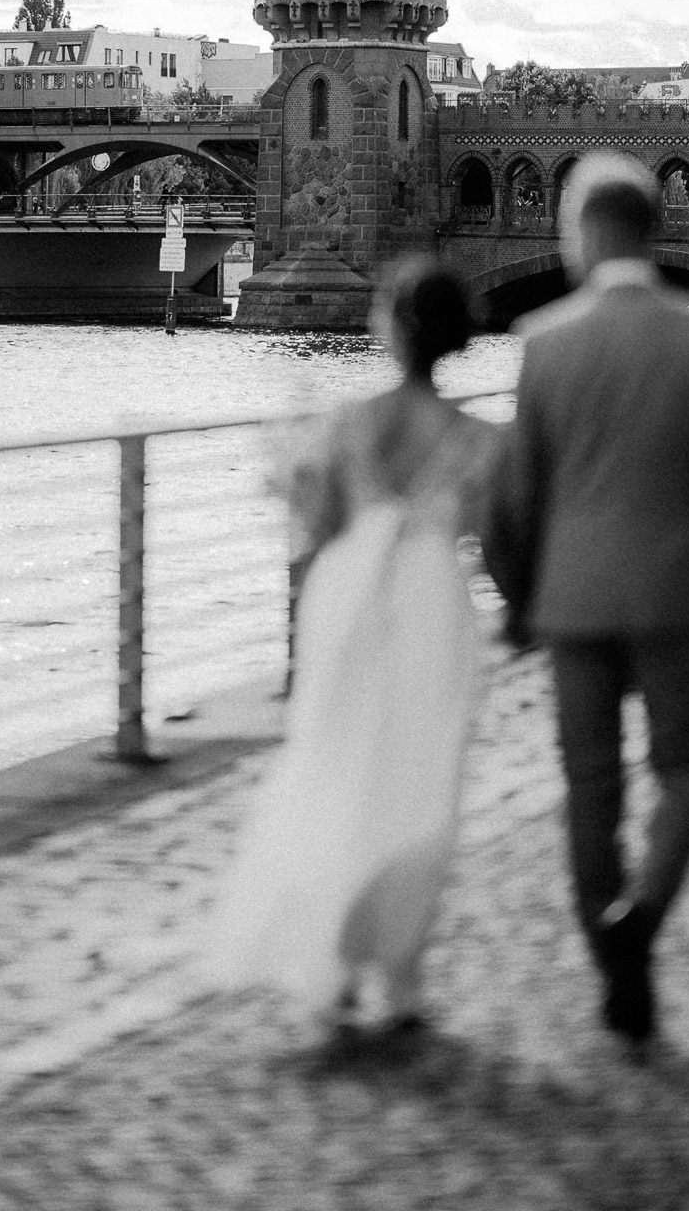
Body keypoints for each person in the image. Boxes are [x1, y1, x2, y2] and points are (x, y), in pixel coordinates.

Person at [482, 152, 689, 1049]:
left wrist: (519, 599)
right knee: (684, 772)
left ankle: (616, 968)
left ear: (589, 232)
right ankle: (639, 925)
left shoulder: (545, 343)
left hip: (571, 598)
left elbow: (514, 499)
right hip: (677, 591)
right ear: (651, 229)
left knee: (589, 791)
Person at [206, 256, 495, 1038]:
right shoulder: (477, 439)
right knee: (419, 779)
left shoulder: (349, 424)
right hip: (433, 604)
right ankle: (398, 976)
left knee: (337, 766)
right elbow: (496, 549)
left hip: (349, 604)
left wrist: (290, 482)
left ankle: (328, 965)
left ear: (390, 328)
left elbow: (320, 529)